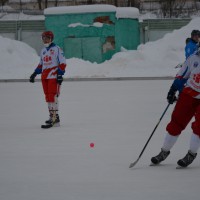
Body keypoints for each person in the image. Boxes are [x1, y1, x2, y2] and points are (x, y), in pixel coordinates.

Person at [151, 47, 200, 168]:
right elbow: (182, 74)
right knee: (176, 122)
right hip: (189, 93)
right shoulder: (193, 57)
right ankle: (164, 151)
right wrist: (173, 89)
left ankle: (191, 154)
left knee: (199, 127)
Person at [29, 31, 66, 128]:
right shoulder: (43, 51)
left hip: (53, 76)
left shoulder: (57, 49)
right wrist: (34, 73)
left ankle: (55, 119)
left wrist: (60, 75)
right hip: (44, 77)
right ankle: (51, 117)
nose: (45, 40)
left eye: (47, 38)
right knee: (48, 97)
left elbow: (62, 62)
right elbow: (41, 64)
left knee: (53, 96)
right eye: (44, 38)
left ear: (51, 39)